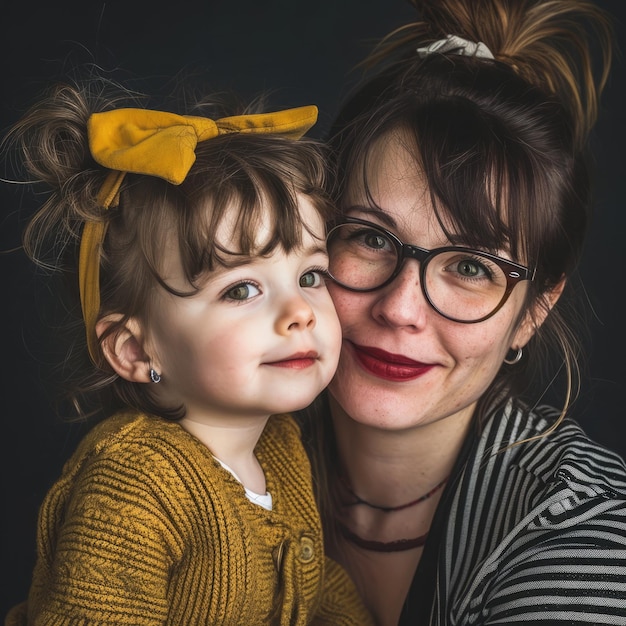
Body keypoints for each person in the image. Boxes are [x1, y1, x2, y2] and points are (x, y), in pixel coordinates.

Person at [298, 0, 626, 624]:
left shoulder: (586, 532)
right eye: (370, 237)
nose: (400, 308)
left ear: (532, 313)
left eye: (472, 267)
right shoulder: (213, 444)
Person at [3, 77, 374, 625]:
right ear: (133, 350)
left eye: (311, 274)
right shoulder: (134, 484)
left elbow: (319, 587)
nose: (300, 311)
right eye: (241, 289)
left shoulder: (279, 447)